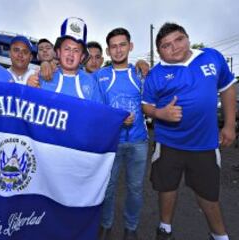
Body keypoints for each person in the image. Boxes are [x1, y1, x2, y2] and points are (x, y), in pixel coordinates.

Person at [142, 22, 237, 240]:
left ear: (188, 38)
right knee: (166, 187)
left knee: (208, 194)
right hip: (168, 143)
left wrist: (230, 125)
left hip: (204, 144)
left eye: (179, 39)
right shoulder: (155, 74)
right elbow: (146, 105)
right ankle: (164, 228)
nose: (174, 47)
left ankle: (219, 235)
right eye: (166, 45)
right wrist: (161, 114)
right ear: (159, 52)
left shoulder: (211, 57)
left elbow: (227, 88)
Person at [95, 28, 148, 240]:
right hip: (112, 142)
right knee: (107, 188)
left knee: (135, 189)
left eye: (122, 45)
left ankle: (131, 227)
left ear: (130, 46)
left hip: (138, 142)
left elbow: (150, 103)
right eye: (113, 46)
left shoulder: (140, 73)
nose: (118, 50)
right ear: (108, 51)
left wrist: (144, 63)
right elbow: (97, 110)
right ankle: (106, 225)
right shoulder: (100, 76)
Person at [36, 17, 102, 102]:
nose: (71, 54)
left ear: (82, 57)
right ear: (58, 52)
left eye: (76, 50)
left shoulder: (91, 82)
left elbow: (99, 112)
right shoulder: (44, 75)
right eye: (67, 49)